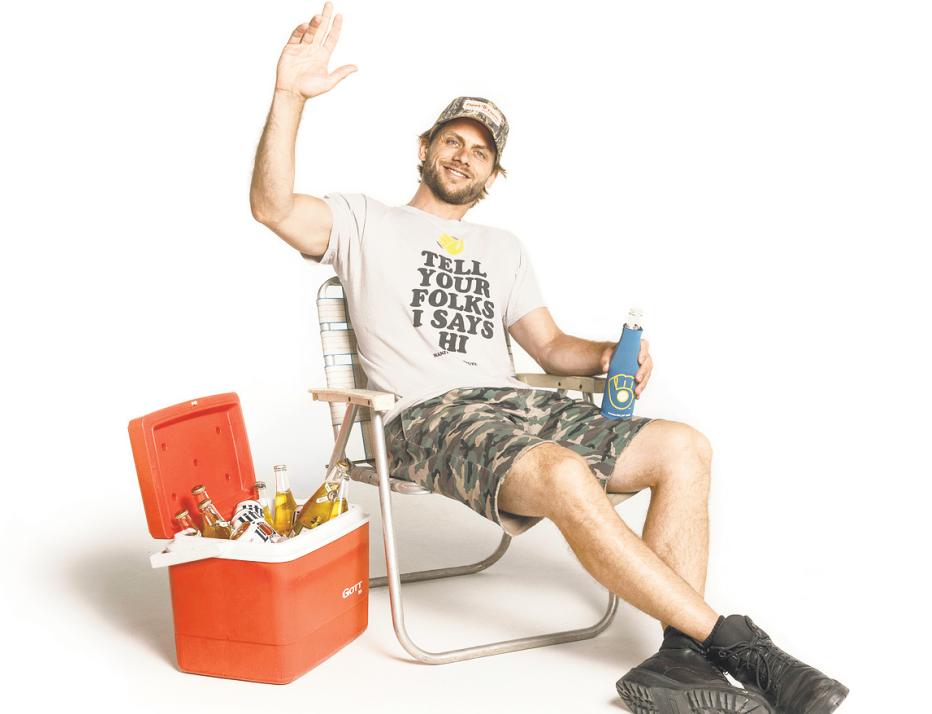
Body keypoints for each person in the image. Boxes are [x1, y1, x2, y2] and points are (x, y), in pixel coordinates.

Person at [249, 4, 848, 713]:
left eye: (481, 152)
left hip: (518, 406)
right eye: (453, 140)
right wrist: (288, 94)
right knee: (563, 472)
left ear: (492, 174)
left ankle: (678, 660)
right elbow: (272, 207)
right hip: (424, 417)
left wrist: (607, 353)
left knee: (684, 446)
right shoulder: (361, 219)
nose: (464, 156)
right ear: (425, 147)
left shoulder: (504, 248)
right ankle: (738, 644)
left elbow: (552, 348)